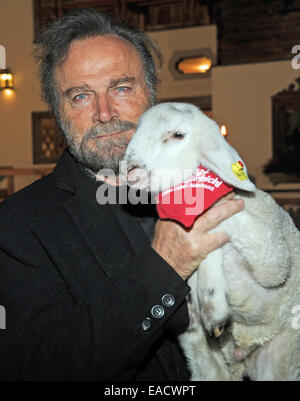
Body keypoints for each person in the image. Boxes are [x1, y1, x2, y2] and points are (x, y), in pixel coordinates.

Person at [0, 9, 244, 380]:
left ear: (151, 94)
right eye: (81, 96)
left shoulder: (211, 184)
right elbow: (40, 365)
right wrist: (166, 265)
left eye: (121, 88)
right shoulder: (16, 226)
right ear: (58, 112)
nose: (104, 112)